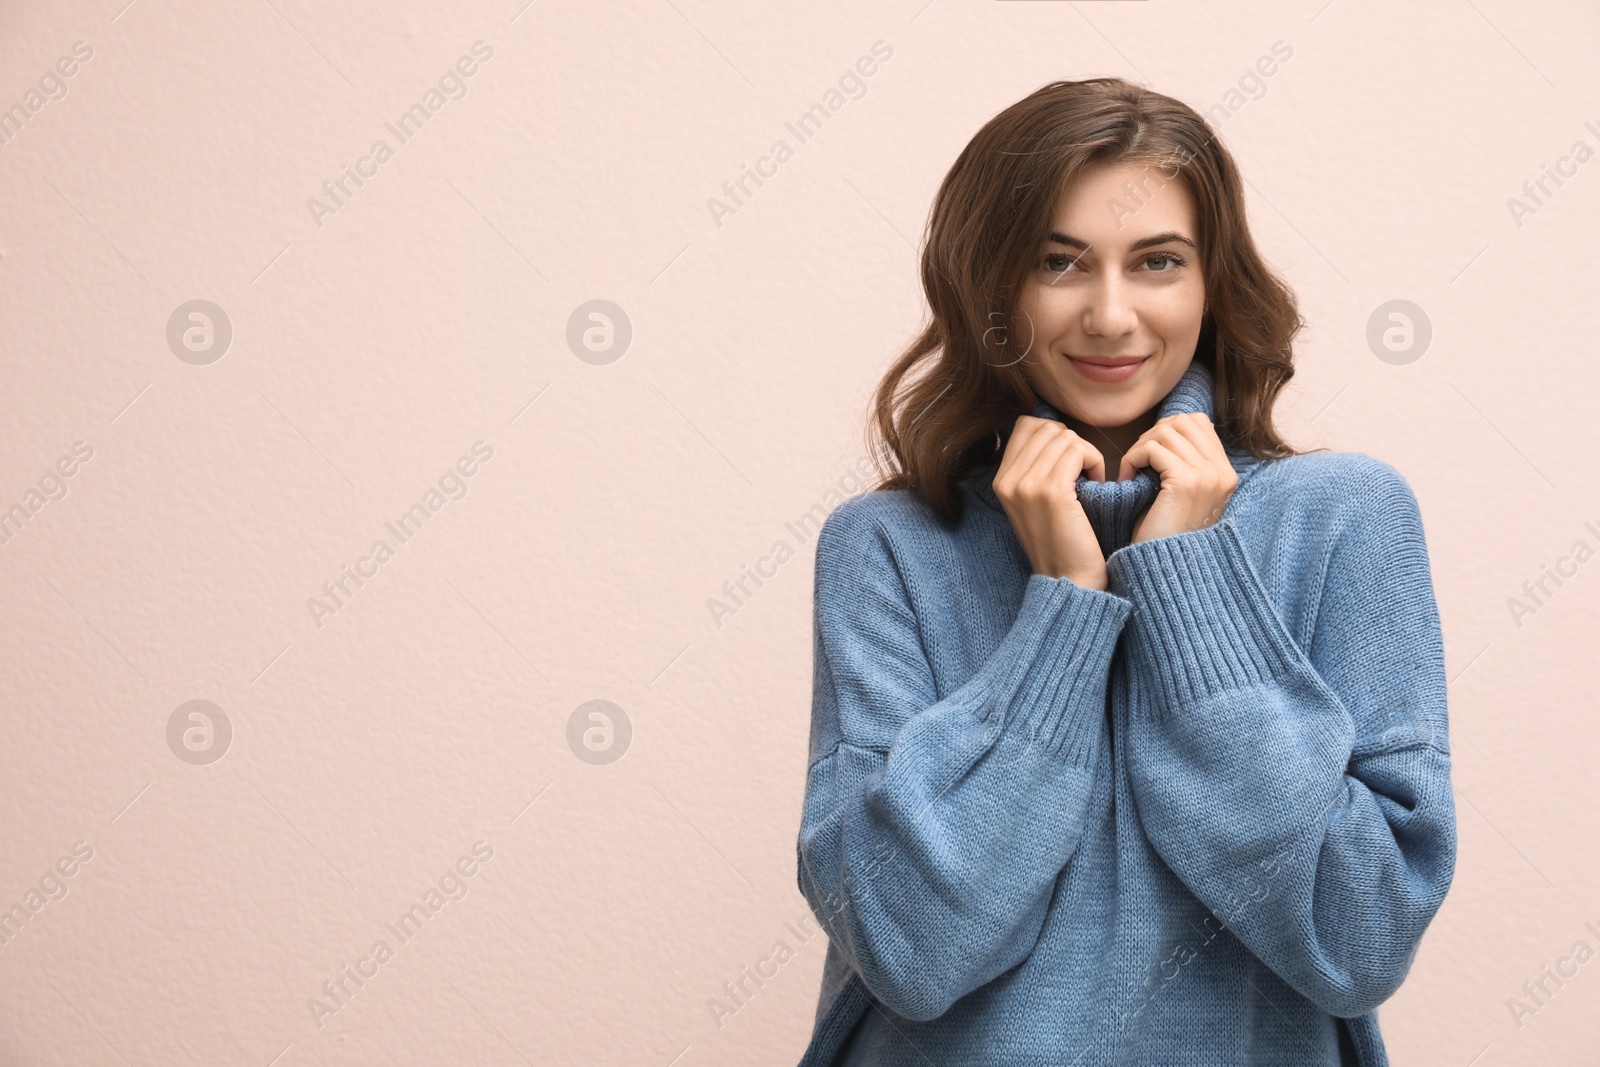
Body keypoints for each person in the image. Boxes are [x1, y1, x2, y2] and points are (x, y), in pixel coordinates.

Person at [793, 77, 1456, 1066]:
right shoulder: (888, 543)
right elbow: (911, 945)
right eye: (1058, 262)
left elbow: (1354, 934)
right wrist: (1066, 608)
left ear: (1210, 282)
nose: (1110, 315)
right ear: (992, 289)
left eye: (1156, 262)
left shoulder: (1343, 517)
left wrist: (1182, 576)